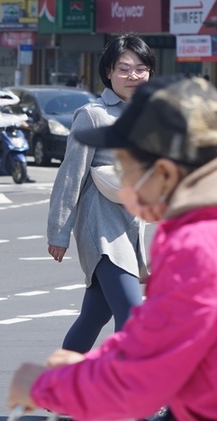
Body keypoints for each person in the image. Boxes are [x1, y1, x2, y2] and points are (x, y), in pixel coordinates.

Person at [9, 76, 217, 420]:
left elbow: (142, 371)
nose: (123, 180)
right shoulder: (191, 230)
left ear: (164, 172)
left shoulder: (194, 247)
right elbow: (152, 334)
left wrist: (48, 384)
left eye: (125, 167)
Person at [47, 34, 156, 354]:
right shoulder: (93, 115)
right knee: (132, 317)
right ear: (108, 71)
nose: (133, 76)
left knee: (94, 315)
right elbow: (70, 177)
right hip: (101, 229)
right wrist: (59, 232)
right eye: (124, 69)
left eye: (140, 68)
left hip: (131, 225)